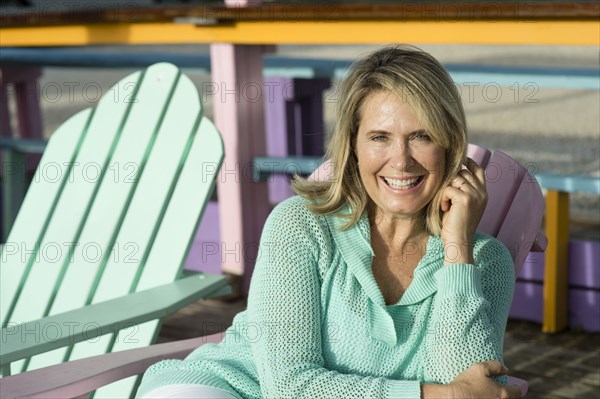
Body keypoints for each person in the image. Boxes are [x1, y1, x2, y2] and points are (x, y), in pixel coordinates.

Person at [136, 45, 521, 399]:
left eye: (421, 136)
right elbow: (289, 385)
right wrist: (437, 395)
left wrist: (457, 250)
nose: (401, 161)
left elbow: (471, 383)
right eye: (379, 137)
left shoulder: (484, 262)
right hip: (227, 387)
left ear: (450, 145)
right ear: (353, 147)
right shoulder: (300, 226)